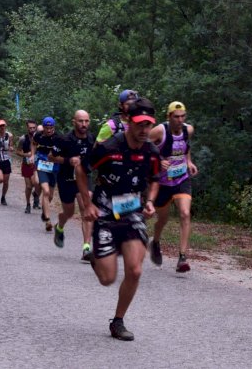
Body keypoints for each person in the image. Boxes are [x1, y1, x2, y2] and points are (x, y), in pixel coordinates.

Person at [76, 97, 160, 341]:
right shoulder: (109, 148)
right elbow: (82, 169)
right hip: (104, 212)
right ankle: (98, 257)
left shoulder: (151, 153)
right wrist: (88, 202)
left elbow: (155, 179)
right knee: (107, 279)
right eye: (140, 124)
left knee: (134, 270)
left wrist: (151, 201)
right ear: (128, 122)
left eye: (148, 124)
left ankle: (118, 321)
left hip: (132, 212)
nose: (144, 130)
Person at [148, 101, 199, 272]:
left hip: (181, 178)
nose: (180, 120)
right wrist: (157, 161)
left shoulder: (188, 130)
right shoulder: (158, 131)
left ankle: (182, 257)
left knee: (185, 213)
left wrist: (189, 161)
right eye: (176, 117)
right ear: (168, 117)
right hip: (162, 182)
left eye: (182, 116)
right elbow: (142, 147)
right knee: (163, 219)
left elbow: (186, 147)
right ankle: (155, 242)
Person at [50, 110, 95, 262]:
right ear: (73, 122)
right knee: (68, 213)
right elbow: (51, 157)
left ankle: (86, 248)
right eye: (81, 121)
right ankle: (60, 226)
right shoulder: (64, 139)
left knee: (86, 207)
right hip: (66, 178)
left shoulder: (91, 139)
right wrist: (68, 160)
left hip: (84, 177)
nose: (84, 124)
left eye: (86, 121)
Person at [32, 117, 60, 231]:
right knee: (46, 191)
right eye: (46, 128)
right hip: (42, 164)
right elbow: (33, 144)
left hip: (54, 166)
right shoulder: (38, 135)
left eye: (51, 128)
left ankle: (44, 212)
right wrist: (33, 155)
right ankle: (48, 220)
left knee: (50, 196)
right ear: (43, 128)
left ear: (54, 127)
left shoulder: (58, 138)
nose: (49, 130)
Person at [15, 119, 41, 213]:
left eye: (34, 128)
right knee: (29, 186)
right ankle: (28, 205)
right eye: (30, 128)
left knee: (37, 183)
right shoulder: (23, 138)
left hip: (37, 165)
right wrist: (27, 155)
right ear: (27, 128)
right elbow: (17, 151)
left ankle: (36, 195)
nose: (32, 129)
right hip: (26, 164)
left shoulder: (40, 137)